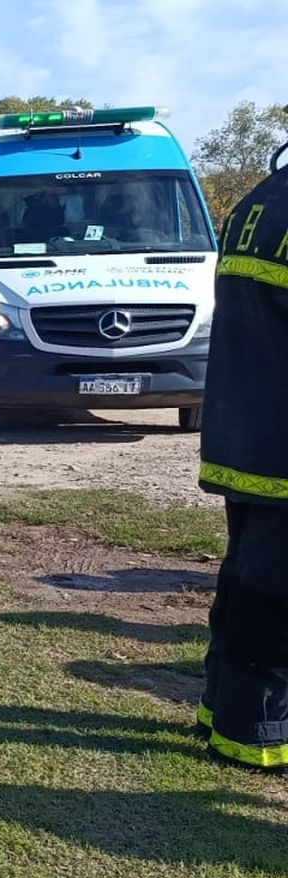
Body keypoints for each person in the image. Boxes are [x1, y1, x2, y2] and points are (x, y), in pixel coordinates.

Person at [196, 153, 288, 769]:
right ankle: (256, 734)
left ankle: (219, 709)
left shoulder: (261, 199)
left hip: (247, 431)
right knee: (273, 595)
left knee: (245, 578)